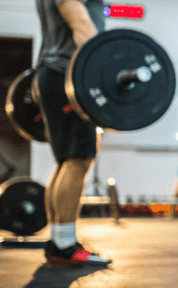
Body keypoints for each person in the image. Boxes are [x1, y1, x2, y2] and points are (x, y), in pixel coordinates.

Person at [34, 0, 112, 268]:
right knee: (79, 158)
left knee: (66, 160)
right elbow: (80, 25)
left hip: (54, 74)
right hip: (69, 76)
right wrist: (105, 74)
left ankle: (59, 240)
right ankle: (65, 246)